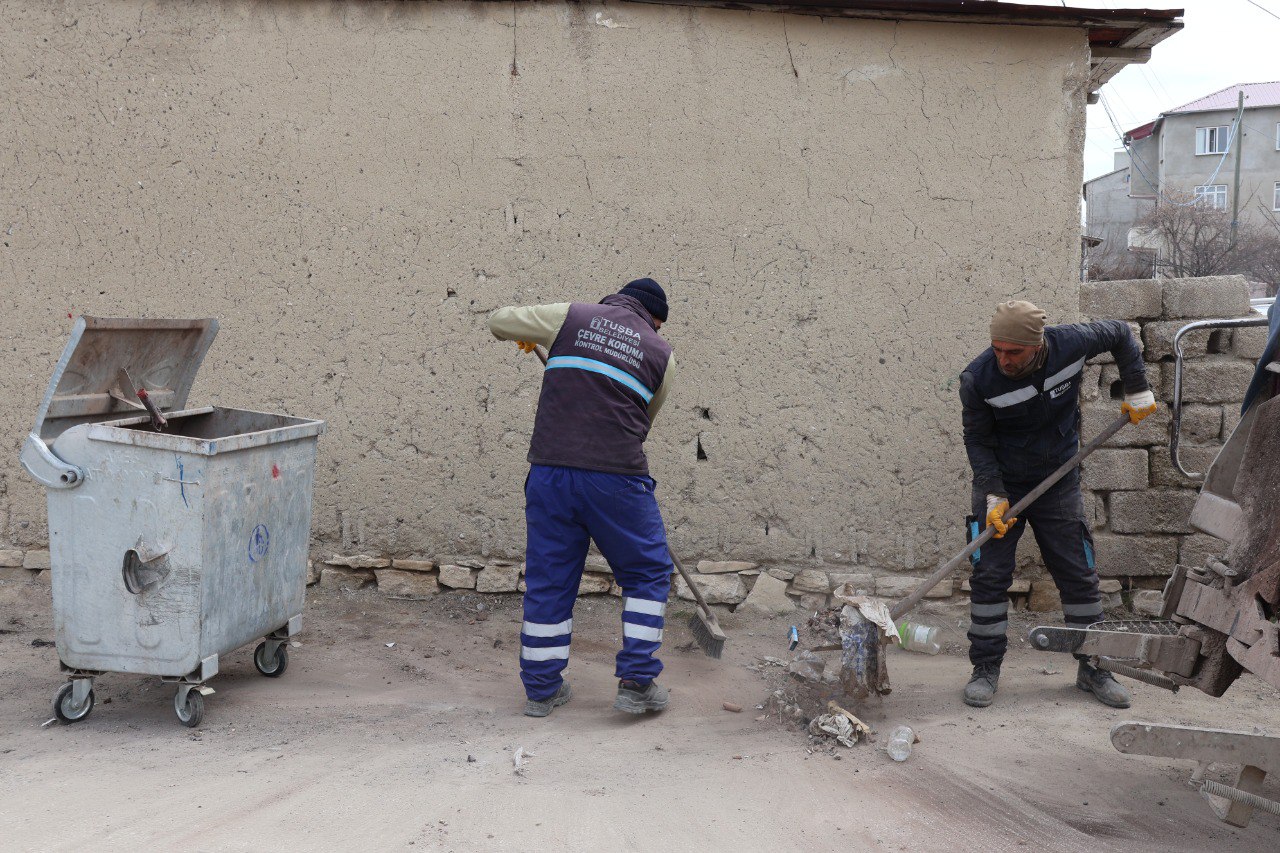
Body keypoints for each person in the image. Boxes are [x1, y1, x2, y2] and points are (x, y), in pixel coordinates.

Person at [488, 277, 676, 717]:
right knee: (648, 571)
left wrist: (530, 333)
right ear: (655, 320)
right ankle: (637, 682)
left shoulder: (569, 317)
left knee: (550, 578)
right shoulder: (662, 354)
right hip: (617, 479)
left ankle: (541, 691)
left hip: (550, 473)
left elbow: (498, 321)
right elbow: (644, 419)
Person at [959, 300, 1157, 709]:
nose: (1004, 359)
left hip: (1059, 478)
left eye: (1014, 351)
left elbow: (1121, 332)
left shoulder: (1071, 343)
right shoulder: (978, 380)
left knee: (1078, 573)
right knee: (989, 576)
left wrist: (1137, 387)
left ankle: (1094, 667)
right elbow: (977, 440)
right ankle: (985, 668)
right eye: (997, 349)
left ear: (1038, 344)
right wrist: (994, 493)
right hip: (1003, 484)